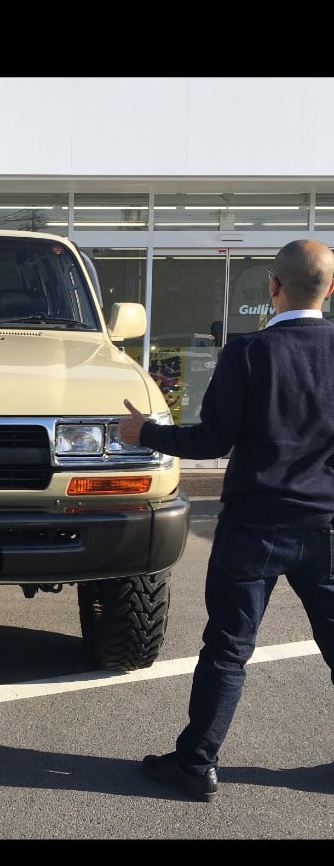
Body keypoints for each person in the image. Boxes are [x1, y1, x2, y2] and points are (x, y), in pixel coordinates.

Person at [119, 238, 334, 802]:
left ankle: (197, 762)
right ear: (331, 289)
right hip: (328, 526)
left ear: (272, 285)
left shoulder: (247, 354)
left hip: (253, 525)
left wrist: (148, 433)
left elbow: (211, 438)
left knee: (228, 648)